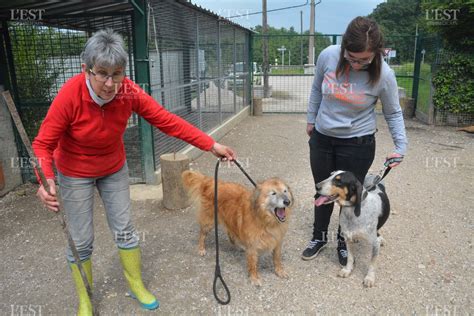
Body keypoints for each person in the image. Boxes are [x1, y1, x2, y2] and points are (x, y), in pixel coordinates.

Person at [32, 29, 236, 315]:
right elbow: (42, 144)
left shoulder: (127, 90)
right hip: (74, 170)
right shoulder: (70, 95)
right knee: (81, 240)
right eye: (101, 73)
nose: (109, 83)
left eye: (117, 73)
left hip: (113, 167)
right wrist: (46, 181)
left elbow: (165, 120)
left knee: (126, 230)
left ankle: (136, 284)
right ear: (86, 69)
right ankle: (85, 299)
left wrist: (210, 144)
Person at [302, 17, 407, 265]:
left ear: (377, 53)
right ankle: (319, 237)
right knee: (323, 188)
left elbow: (393, 112)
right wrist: (310, 119)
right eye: (351, 57)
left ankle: (343, 240)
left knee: (349, 196)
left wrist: (401, 147)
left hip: (357, 143)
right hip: (323, 139)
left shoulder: (385, 75)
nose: (357, 64)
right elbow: (317, 89)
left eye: (364, 60)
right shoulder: (328, 56)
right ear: (343, 48)